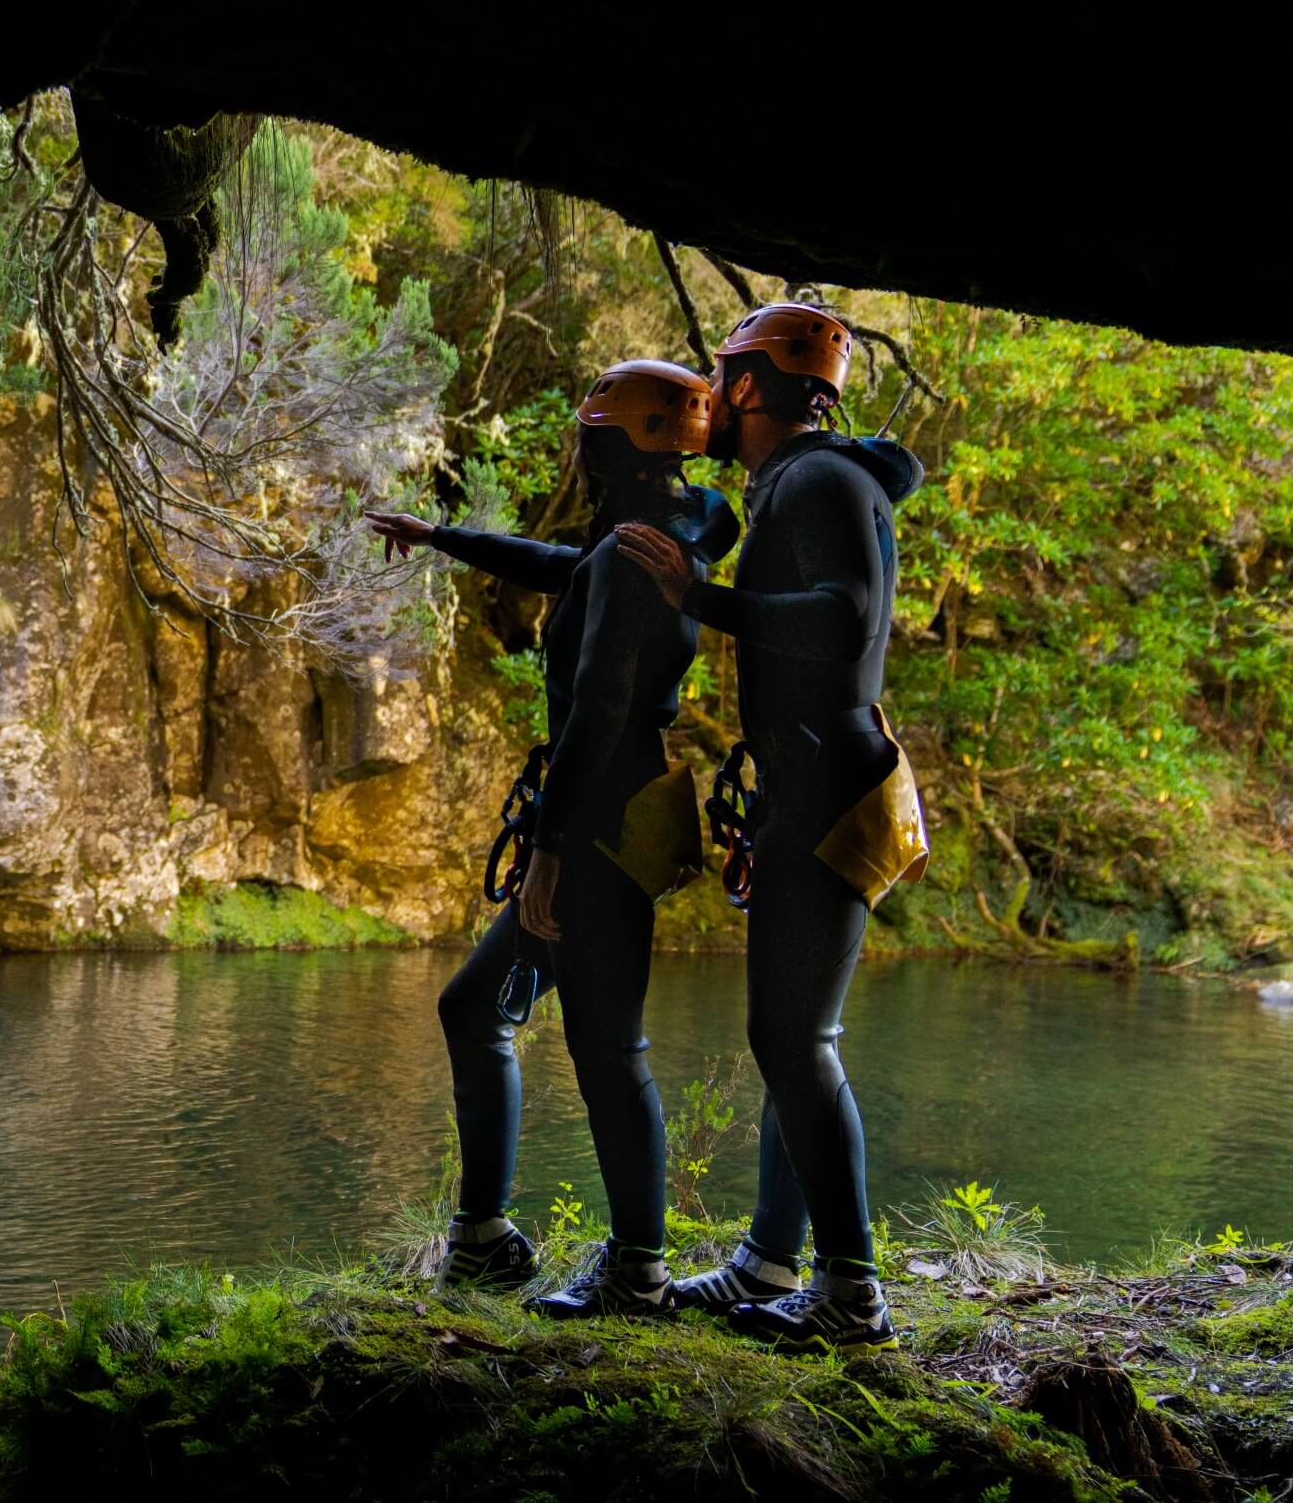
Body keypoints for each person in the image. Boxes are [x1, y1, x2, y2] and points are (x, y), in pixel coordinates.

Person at [367, 360, 735, 1318]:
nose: (582, 442)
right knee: (485, 1011)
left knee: (604, 1047)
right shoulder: (665, 536)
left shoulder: (630, 553)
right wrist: (441, 535)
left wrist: (549, 853)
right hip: (619, 813)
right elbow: (562, 567)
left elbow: (599, 709)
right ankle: (488, 1238)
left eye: (593, 430)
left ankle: (632, 1270)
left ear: (618, 443)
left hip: (598, 827)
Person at [616, 303, 928, 1351]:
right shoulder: (799, 481)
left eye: (722, 371)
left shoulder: (818, 479)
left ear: (753, 387)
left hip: (830, 774)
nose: (710, 387)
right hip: (814, 772)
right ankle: (769, 1263)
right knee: (789, 1035)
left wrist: (706, 601)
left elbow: (843, 615)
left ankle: (850, 1295)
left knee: (794, 1035)